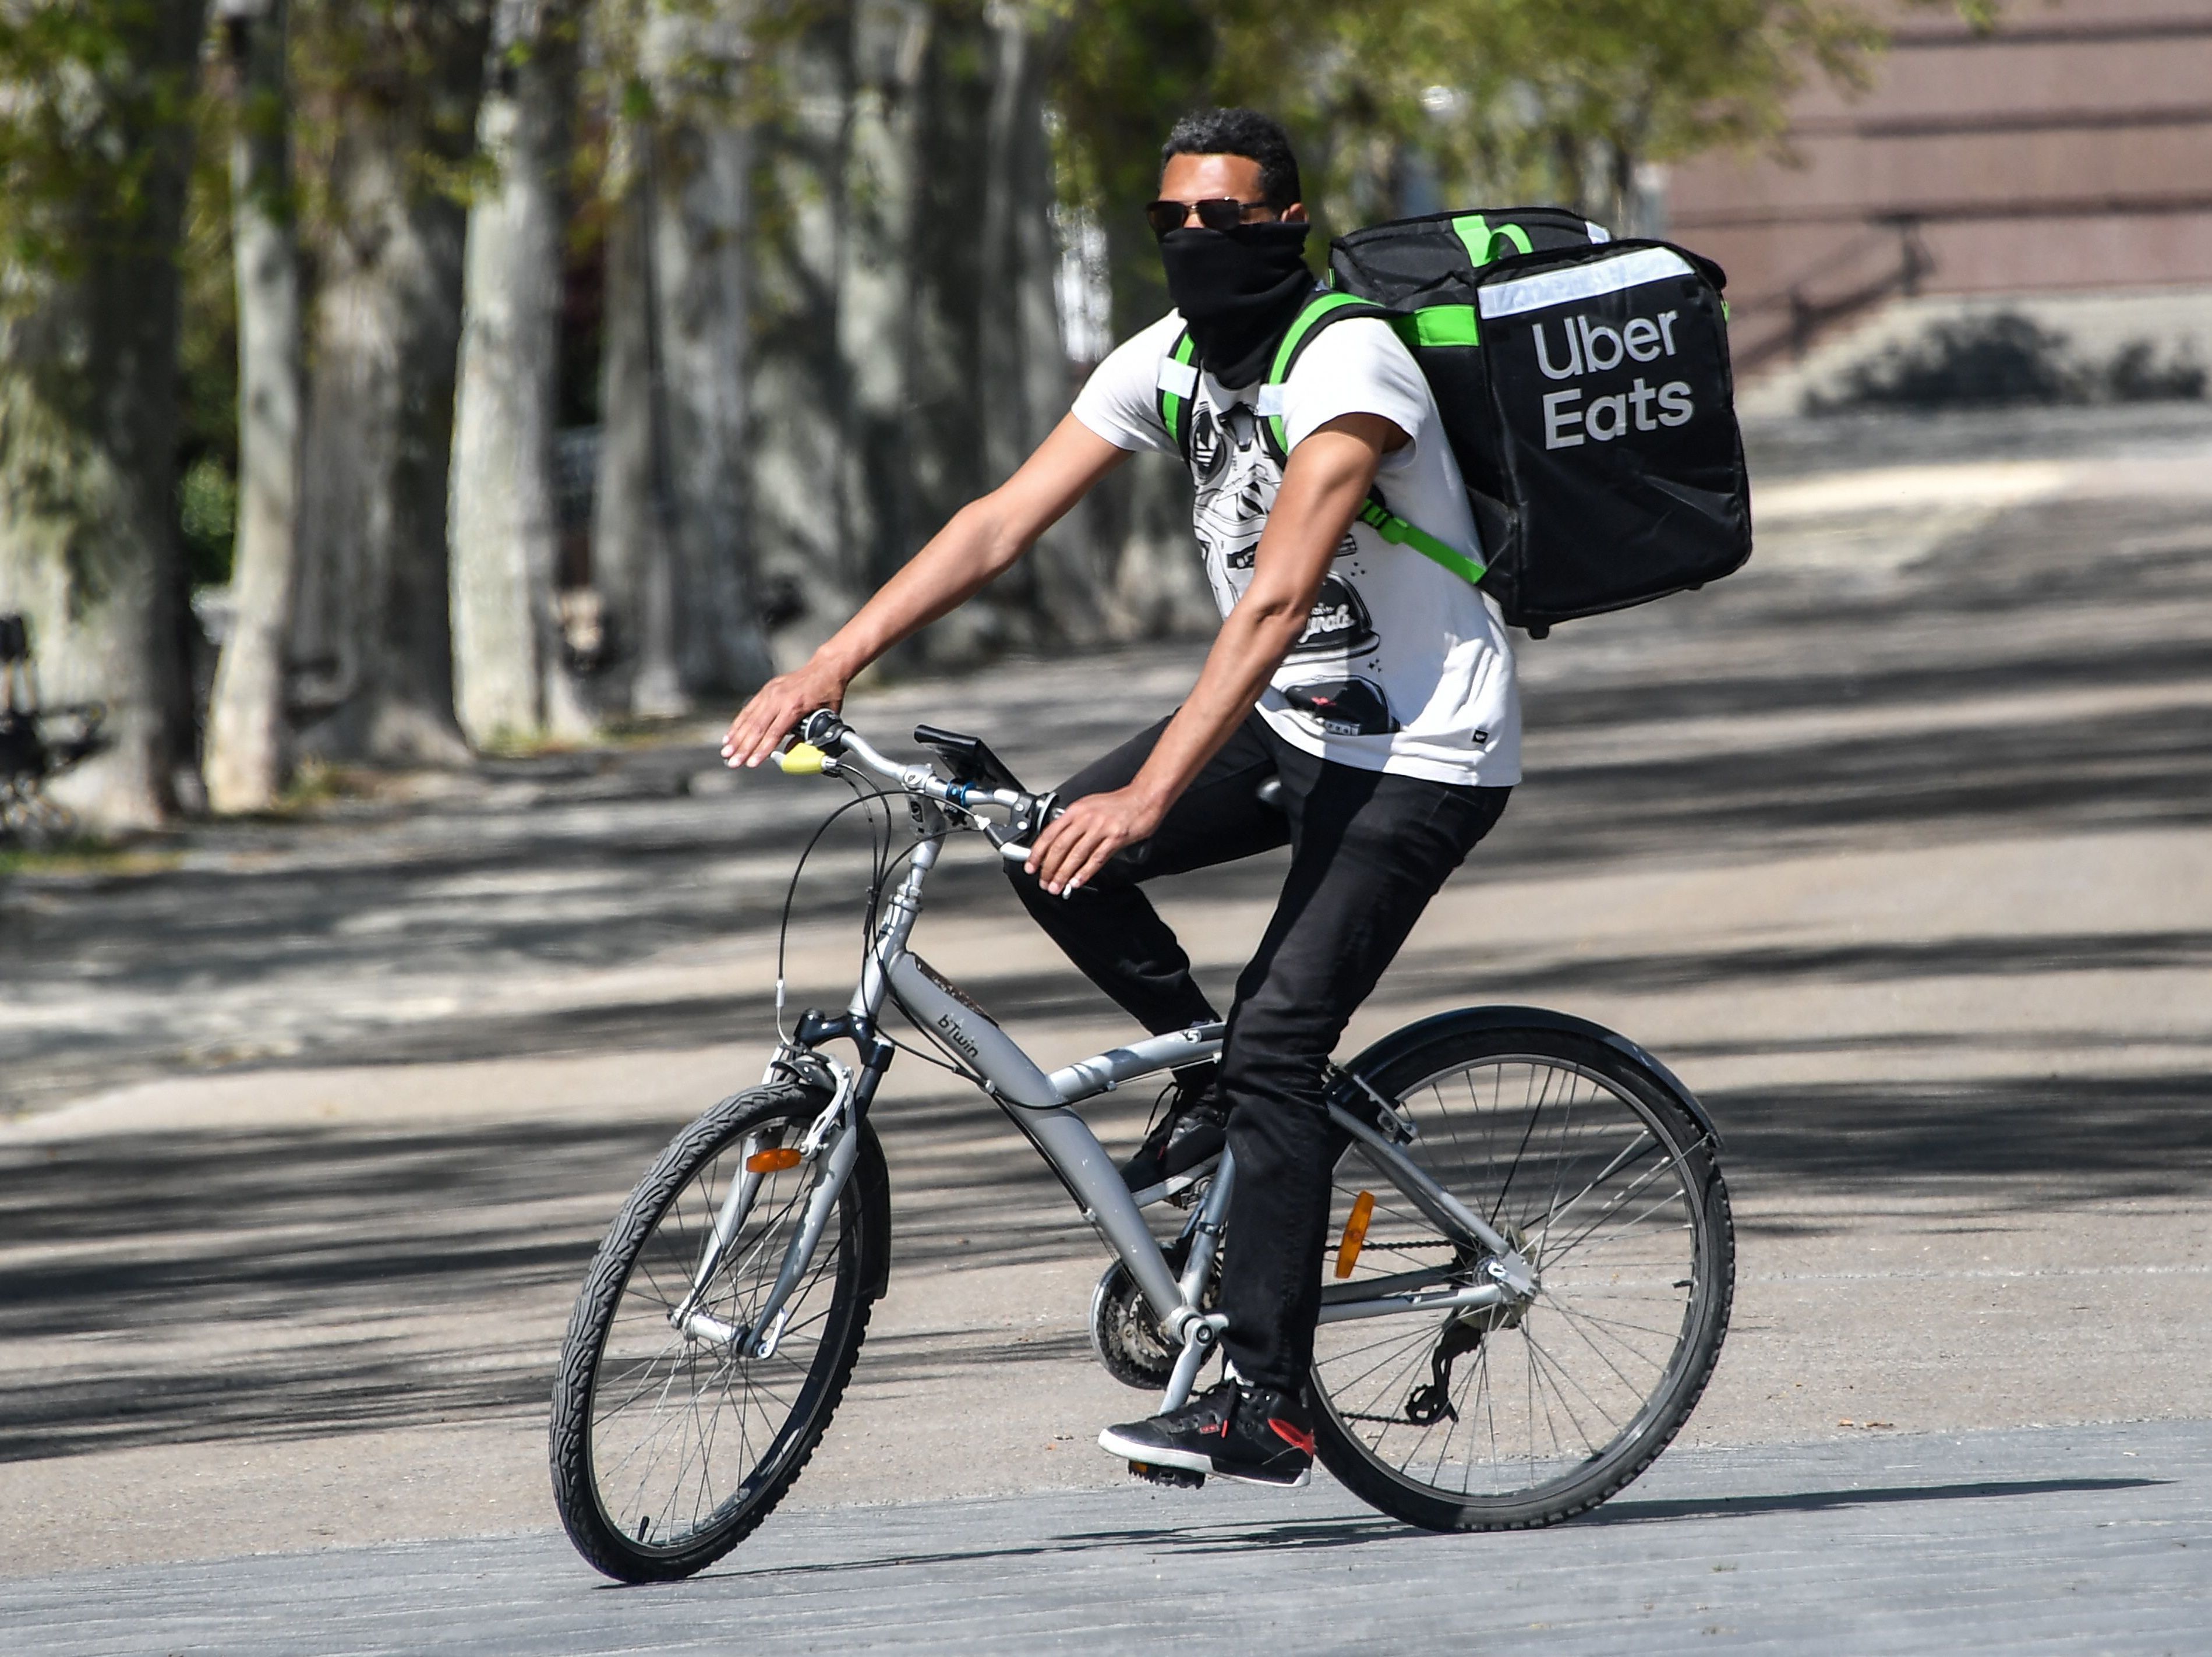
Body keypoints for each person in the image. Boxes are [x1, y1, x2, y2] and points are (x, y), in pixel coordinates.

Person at [722, 108, 1517, 1490]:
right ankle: (1213, 1082)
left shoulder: (1351, 364)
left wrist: (1152, 791)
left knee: (1282, 1042)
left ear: (1287, 221)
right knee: (1047, 849)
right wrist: (831, 659)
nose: (1196, 244)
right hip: (1293, 725)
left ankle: (1266, 1398)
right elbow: (999, 521)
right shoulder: (1171, 363)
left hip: (1423, 750)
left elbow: (1276, 595)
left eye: (1224, 219)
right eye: (1172, 224)